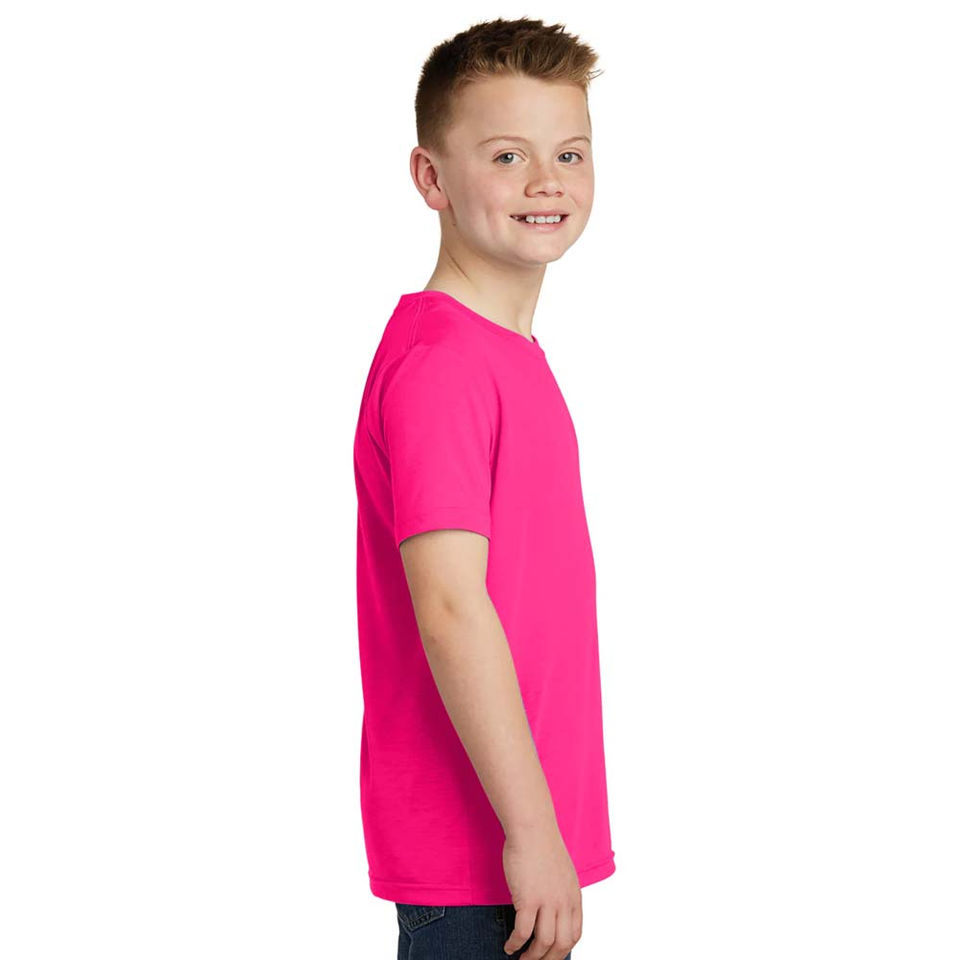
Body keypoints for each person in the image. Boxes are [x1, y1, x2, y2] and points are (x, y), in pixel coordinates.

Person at [352, 17, 614, 959]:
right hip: (482, 859)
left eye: (569, 153)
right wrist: (533, 835)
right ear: (432, 179)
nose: (548, 182)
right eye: (508, 156)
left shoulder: (504, 355)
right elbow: (451, 606)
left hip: (517, 849)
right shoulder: (444, 365)